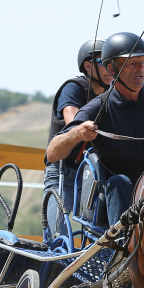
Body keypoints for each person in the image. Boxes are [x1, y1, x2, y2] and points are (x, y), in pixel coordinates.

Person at [46, 32, 144, 227]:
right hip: (116, 192)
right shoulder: (97, 107)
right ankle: (121, 248)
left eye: (142, 61)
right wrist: (77, 133)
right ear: (111, 68)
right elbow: (52, 153)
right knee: (119, 182)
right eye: (131, 63)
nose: (140, 68)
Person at [43, 40, 113, 235]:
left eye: (112, 63)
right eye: (103, 62)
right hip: (63, 171)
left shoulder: (112, 94)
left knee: (100, 236)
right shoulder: (74, 87)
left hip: (94, 174)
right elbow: (72, 121)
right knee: (57, 235)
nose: (110, 68)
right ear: (88, 66)